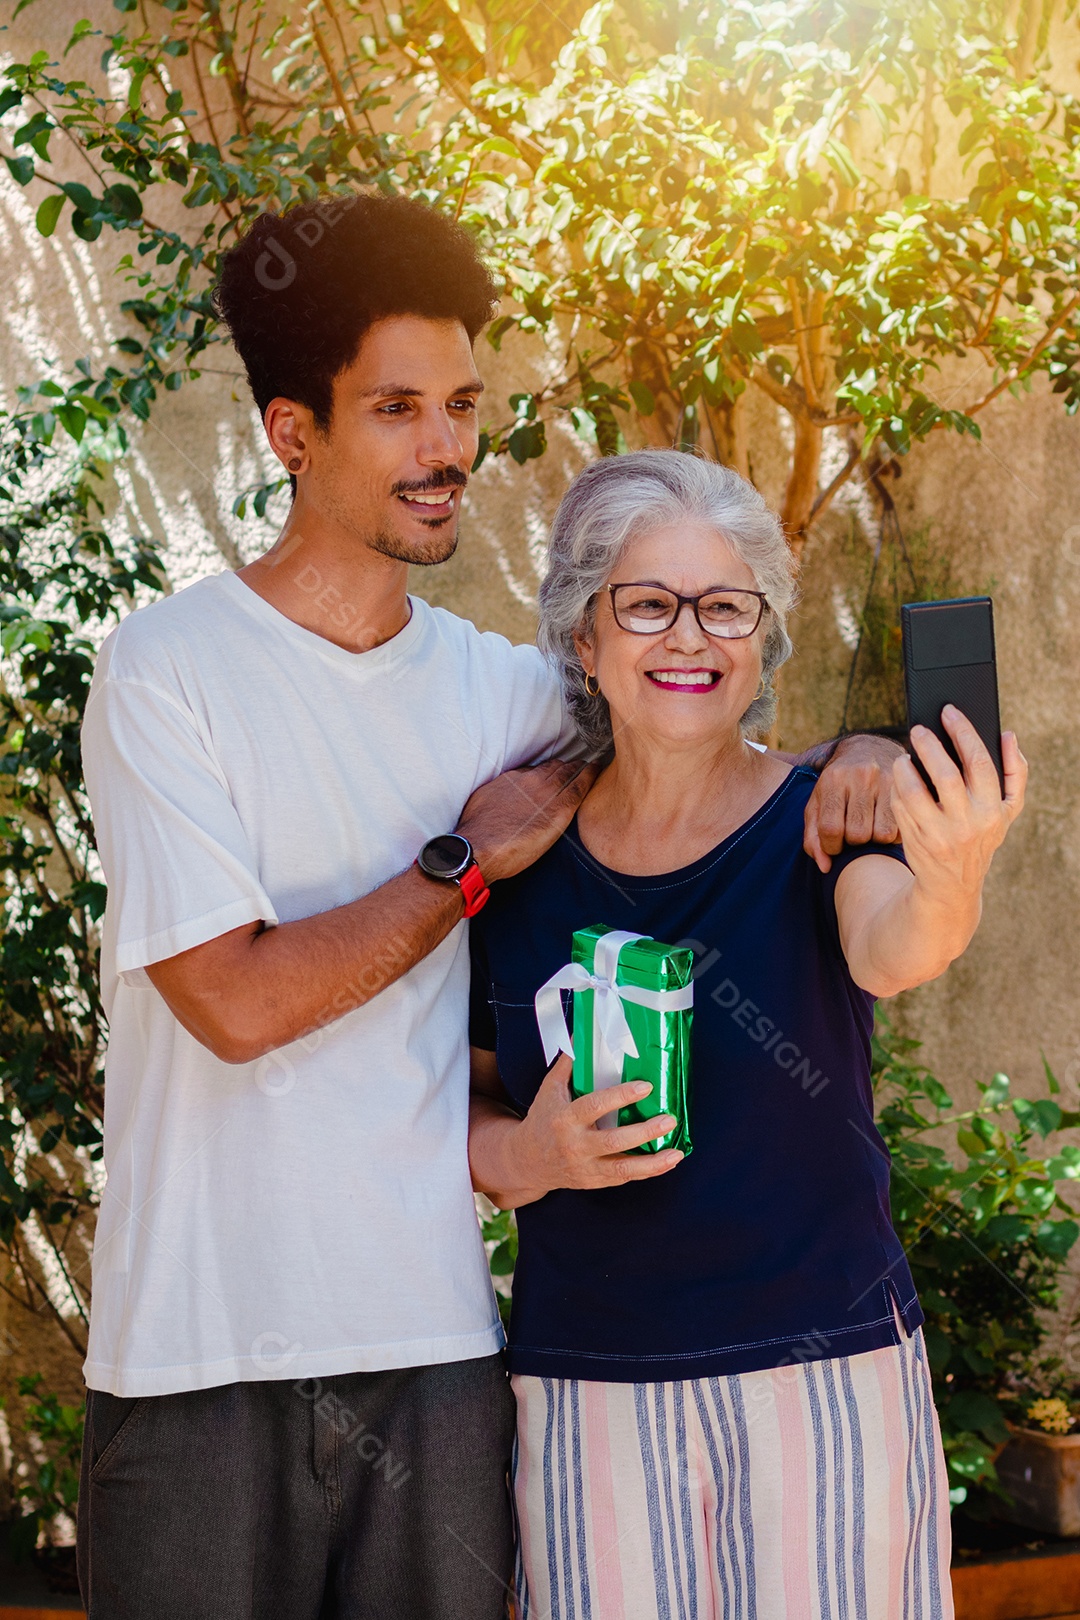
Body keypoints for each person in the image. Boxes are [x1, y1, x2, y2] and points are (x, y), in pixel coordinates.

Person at [78, 195, 903, 1620]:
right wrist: (461, 865)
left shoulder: (508, 696)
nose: (446, 448)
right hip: (200, 1357)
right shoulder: (166, 674)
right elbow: (237, 1002)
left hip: (442, 1356)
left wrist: (866, 757)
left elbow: (703, 744)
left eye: (460, 405)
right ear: (292, 430)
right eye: (395, 409)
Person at [468, 451, 1026, 1620]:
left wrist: (957, 864)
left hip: (823, 1378)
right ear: (583, 635)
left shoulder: (827, 815)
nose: (691, 639)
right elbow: (462, 1100)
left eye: (728, 606)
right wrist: (532, 1157)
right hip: (589, 1391)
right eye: (648, 604)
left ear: (762, 636)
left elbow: (898, 946)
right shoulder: (517, 860)